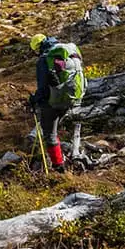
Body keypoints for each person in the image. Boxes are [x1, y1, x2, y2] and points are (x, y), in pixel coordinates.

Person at [29, 34, 85, 172]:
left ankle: (58, 167)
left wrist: (35, 100)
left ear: (37, 48)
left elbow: (43, 88)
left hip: (53, 102)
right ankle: (66, 153)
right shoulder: (67, 52)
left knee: (50, 134)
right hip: (74, 98)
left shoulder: (44, 59)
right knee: (56, 126)